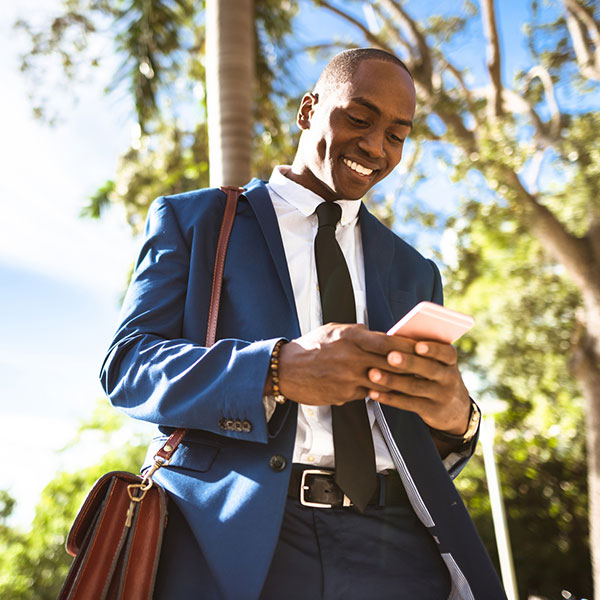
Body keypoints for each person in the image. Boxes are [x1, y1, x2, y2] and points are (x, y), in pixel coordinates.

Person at [100, 48, 507, 600]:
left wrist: (455, 418)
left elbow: (419, 435)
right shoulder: (194, 222)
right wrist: (275, 369)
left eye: (397, 134)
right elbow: (127, 368)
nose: (375, 146)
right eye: (359, 119)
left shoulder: (415, 270)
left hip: (398, 546)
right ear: (308, 109)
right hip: (242, 539)